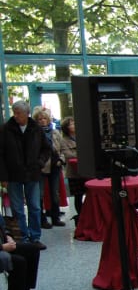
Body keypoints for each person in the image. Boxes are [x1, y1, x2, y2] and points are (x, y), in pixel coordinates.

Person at [0, 101, 51, 250]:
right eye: (14, 113)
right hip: (13, 175)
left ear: (27, 114)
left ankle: (35, 237)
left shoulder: (36, 129)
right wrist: (3, 177)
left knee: (35, 207)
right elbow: (1, 155)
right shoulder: (5, 129)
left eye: (19, 113)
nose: (16, 116)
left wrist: (39, 163)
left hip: (32, 174)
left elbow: (46, 149)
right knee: (17, 209)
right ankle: (22, 237)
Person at [0, 216, 42, 290]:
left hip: (3, 245)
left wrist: (8, 236)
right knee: (18, 262)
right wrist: (2, 247)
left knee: (32, 249)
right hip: (1, 248)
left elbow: (3, 226)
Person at [34, 107, 66, 228]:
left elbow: (63, 149)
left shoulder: (55, 133)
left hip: (55, 166)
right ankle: (42, 219)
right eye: (40, 119)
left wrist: (61, 160)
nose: (42, 121)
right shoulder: (35, 133)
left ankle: (55, 217)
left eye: (44, 118)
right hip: (41, 167)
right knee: (40, 194)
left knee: (55, 193)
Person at [59, 117, 87, 223]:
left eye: (74, 123)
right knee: (78, 195)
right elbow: (68, 155)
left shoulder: (82, 137)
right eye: (71, 124)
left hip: (85, 171)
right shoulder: (64, 140)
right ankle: (80, 216)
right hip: (73, 173)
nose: (74, 125)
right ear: (66, 127)